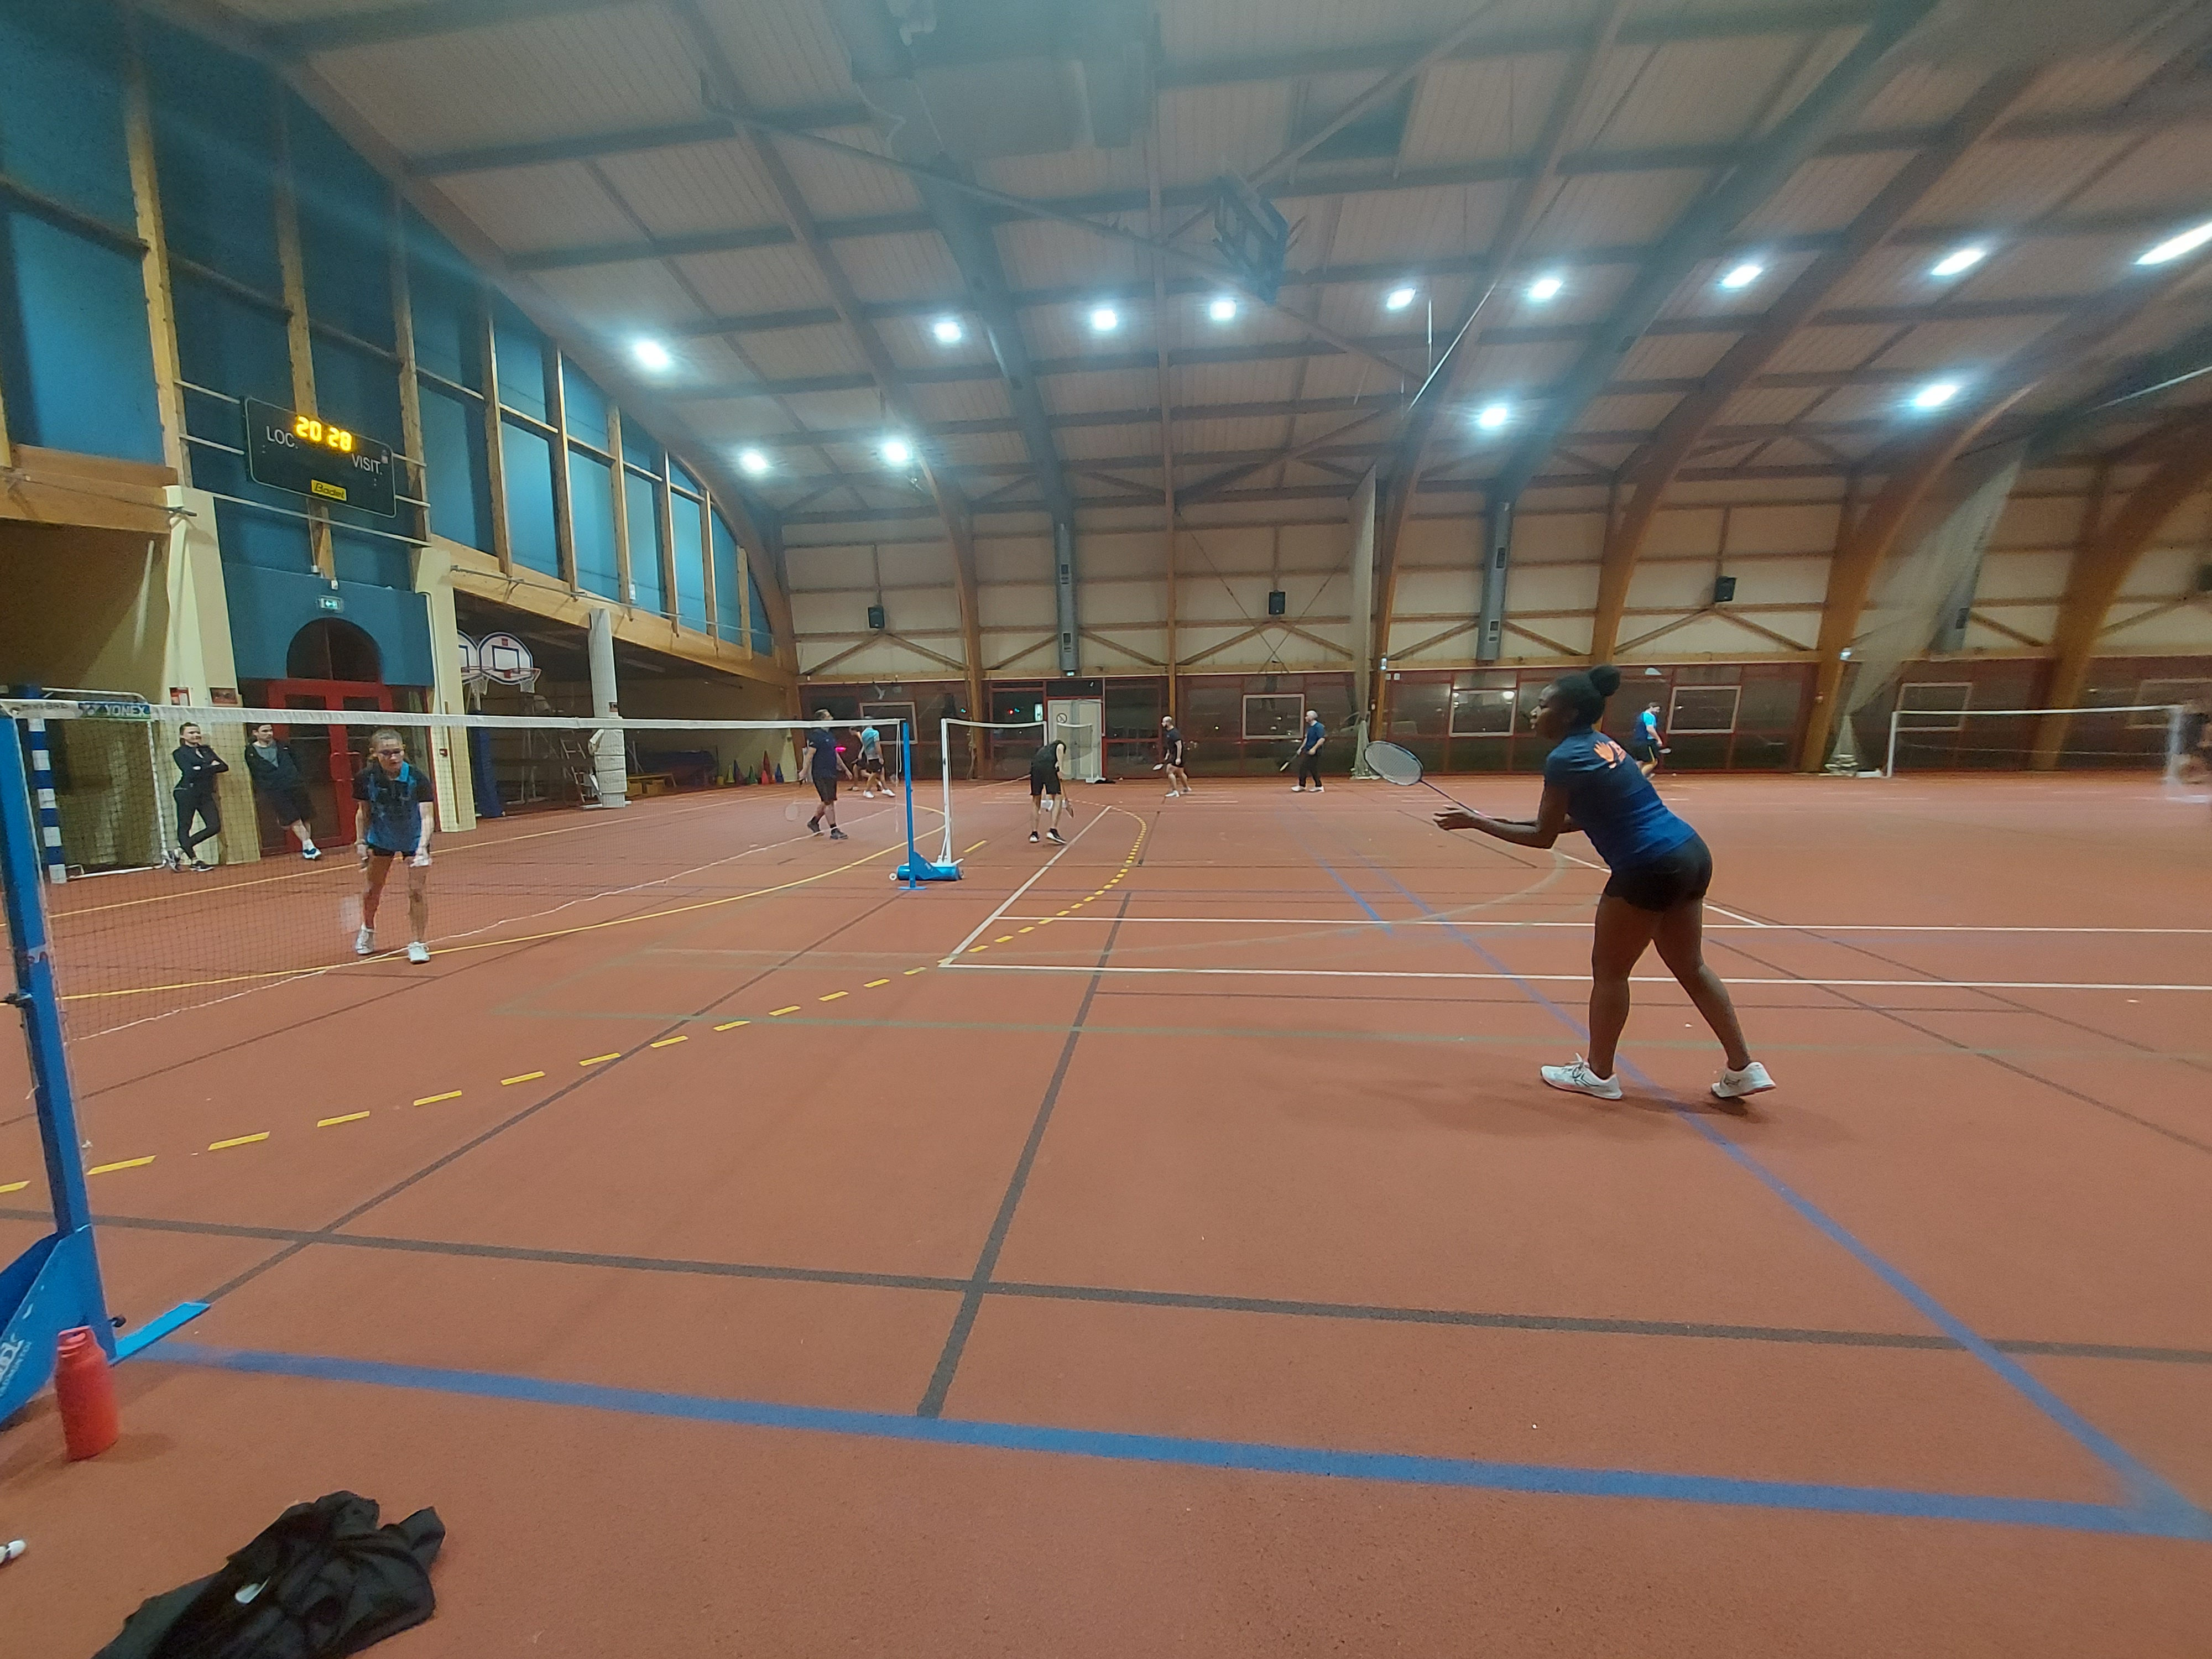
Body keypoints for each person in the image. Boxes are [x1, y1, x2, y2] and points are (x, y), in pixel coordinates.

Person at [1432, 664, 1772, 1103]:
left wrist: (1478, 823)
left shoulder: (1563, 759)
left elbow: (1543, 837)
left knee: (1610, 973)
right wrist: (1495, 820)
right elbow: (1582, 818)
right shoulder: (1603, 744)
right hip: (1689, 853)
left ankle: (1599, 1074)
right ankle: (1744, 1067)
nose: (1533, 713)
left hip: (1647, 867)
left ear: (1568, 713)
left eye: (1542, 705)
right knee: (1691, 967)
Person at [352, 728, 435, 964]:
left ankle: (417, 943)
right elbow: (364, 812)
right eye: (386, 753)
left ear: (403, 751)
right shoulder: (365, 778)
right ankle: (368, 930)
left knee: (417, 891)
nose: (393, 757)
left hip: (414, 839)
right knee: (372, 890)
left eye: (397, 752)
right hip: (382, 839)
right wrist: (361, 841)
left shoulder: (417, 778)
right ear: (375, 754)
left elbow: (427, 816)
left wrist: (422, 847)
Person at [243, 722, 321, 860]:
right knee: (293, 817)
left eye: (270, 730)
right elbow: (256, 773)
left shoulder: (283, 746)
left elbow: (297, 762)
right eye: (265, 731)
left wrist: (299, 778)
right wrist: (266, 787)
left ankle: (307, 846)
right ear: (255, 733)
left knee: (305, 816)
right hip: (275, 790)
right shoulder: (251, 752)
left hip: (295, 785)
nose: (269, 734)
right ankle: (310, 846)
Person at [166, 722, 227, 872]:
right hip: (186, 792)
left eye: (197, 732)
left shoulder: (206, 750)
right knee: (185, 826)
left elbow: (223, 767)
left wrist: (201, 767)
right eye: (191, 733)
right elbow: (190, 772)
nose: (196, 735)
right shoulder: (179, 753)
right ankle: (194, 860)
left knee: (214, 826)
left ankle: (178, 852)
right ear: (183, 736)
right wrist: (210, 766)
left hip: (205, 793)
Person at [804, 711, 852, 841]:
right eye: (829, 716)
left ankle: (814, 822)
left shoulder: (830, 735)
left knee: (828, 800)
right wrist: (804, 771)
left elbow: (835, 754)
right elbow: (810, 755)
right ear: (822, 719)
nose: (832, 718)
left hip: (831, 772)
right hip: (820, 773)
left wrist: (846, 769)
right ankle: (834, 830)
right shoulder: (816, 736)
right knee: (828, 802)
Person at [1030, 738, 1073, 844]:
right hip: (1048, 767)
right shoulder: (1060, 745)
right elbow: (1060, 749)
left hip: (1035, 767)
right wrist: (1061, 769)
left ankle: (1034, 834)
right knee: (1058, 797)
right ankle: (1053, 830)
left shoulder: (1045, 749)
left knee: (1036, 799)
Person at [1291, 709, 1326, 792]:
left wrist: (1314, 749)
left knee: (1303, 767)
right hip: (1308, 750)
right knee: (1313, 769)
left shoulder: (1319, 727)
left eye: (1307, 716)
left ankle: (1302, 785)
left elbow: (1322, 739)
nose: (1306, 718)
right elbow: (1307, 738)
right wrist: (1301, 748)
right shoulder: (1310, 727)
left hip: (1315, 752)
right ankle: (1319, 786)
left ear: (1312, 717)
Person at [1159, 715, 1190, 798]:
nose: (1162, 724)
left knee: (1169, 771)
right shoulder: (1169, 733)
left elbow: (1179, 745)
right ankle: (1186, 788)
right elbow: (1171, 746)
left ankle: (1174, 791)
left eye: (1164, 722)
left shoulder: (1174, 733)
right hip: (1175, 754)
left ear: (1168, 723)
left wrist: (1178, 758)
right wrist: (1168, 754)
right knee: (1180, 772)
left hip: (1178, 755)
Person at [1634, 700, 1667, 779]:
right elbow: (1650, 729)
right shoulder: (1650, 716)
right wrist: (1658, 739)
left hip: (1637, 741)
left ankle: (1632, 777)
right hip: (1646, 742)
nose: (1658, 712)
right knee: (1653, 762)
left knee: (1640, 761)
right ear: (1651, 707)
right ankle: (1641, 778)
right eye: (1657, 709)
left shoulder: (1641, 715)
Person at [858, 722, 889, 797]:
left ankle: (886, 789)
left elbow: (865, 746)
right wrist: (881, 757)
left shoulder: (863, 734)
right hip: (875, 756)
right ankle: (867, 790)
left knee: (881, 773)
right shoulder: (875, 733)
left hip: (869, 756)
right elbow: (877, 745)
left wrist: (867, 756)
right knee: (875, 773)